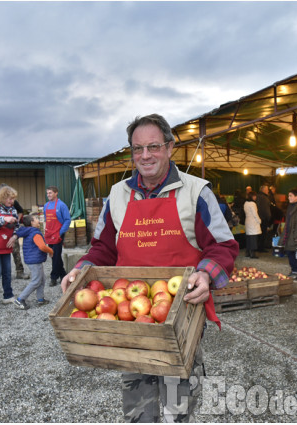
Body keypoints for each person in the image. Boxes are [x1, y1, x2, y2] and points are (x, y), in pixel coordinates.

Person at [61, 113, 238, 423]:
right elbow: (102, 247)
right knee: (138, 405)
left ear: (169, 147)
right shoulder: (118, 194)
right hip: (128, 314)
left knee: (178, 405)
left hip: (182, 312)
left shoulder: (196, 192)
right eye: (137, 148)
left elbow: (223, 246)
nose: (145, 155)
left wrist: (206, 273)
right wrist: (82, 269)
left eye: (153, 147)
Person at [13, 214, 53, 310]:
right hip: (35, 261)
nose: (38, 221)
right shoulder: (35, 233)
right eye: (36, 219)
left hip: (32, 260)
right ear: (32, 222)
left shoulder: (28, 231)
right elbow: (42, 247)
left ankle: (40, 299)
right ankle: (20, 299)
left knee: (42, 279)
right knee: (36, 281)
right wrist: (51, 251)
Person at [43, 186, 71, 286]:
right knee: (54, 256)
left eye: (50, 193)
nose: (48, 195)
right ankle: (63, 275)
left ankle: (53, 277)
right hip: (49, 234)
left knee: (55, 255)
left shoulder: (62, 205)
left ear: (56, 193)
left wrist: (60, 233)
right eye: (47, 193)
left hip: (58, 234)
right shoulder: (46, 206)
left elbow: (67, 220)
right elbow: (46, 220)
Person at [243, 191, 261, 258]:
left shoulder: (245, 203)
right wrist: (259, 221)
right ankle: (253, 254)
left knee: (249, 238)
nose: (255, 197)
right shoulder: (253, 204)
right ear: (252, 196)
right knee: (254, 238)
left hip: (248, 221)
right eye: (255, 196)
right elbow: (255, 214)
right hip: (253, 222)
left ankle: (247, 252)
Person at [256, 185, 272, 252]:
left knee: (258, 234)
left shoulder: (258, 196)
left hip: (257, 218)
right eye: (267, 189)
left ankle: (257, 247)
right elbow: (266, 210)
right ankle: (261, 248)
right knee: (263, 234)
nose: (268, 191)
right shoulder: (265, 198)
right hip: (264, 218)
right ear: (264, 190)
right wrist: (269, 217)